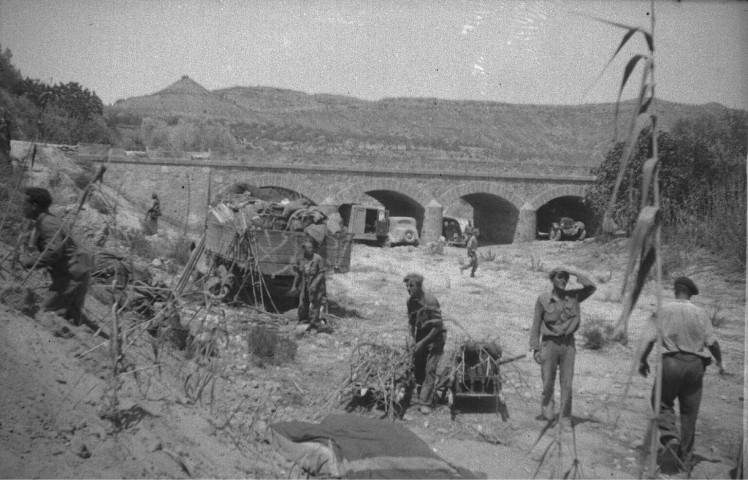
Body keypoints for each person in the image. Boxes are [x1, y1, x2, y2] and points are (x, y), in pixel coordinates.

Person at [638, 276, 725, 472]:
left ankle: (670, 437)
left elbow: (650, 339)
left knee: (660, 400)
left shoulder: (663, 310)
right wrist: (720, 362)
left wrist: (643, 361)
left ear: (675, 290)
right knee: (689, 414)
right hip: (695, 366)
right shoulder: (700, 313)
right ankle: (685, 461)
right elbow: (712, 343)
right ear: (691, 294)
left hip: (671, 363)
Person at [530, 266, 597, 423]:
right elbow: (536, 324)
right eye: (560, 277)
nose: (564, 280)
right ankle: (548, 415)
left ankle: (565, 418)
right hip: (549, 344)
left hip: (568, 345)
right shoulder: (543, 299)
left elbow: (592, 287)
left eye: (566, 278)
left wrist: (574, 272)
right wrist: (535, 348)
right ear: (552, 279)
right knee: (547, 382)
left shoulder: (574, 296)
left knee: (567, 383)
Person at [20, 187, 94, 329]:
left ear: (34, 206)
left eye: (25, 204)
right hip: (76, 269)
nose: (22, 207)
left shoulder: (47, 223)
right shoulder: (44, 221)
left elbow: (54, 251)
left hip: (72, 273)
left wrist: (30, 262)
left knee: (48, 313)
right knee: (72, 314)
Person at [404, 273, 446, 414]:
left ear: (419, 286)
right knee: (418, 365)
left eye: (412, 286)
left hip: (436, 337)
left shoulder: (431, 301)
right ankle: (422, 390)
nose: (408, 289)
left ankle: (425, 402)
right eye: (407, 286)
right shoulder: (410, 302)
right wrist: (411, 337)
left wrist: (422, 343)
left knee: (430, 368)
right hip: (421, 335)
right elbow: (411, 322)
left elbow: (438, 326)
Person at [290, 240, 326, 329]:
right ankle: (303, 320)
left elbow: (321, 273)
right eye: (309, 248)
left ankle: (314, 324)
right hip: (304, 285)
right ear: (304, 249)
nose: (311, 249)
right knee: (302, 304)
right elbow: (298, 274)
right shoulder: (300, 259)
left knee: (315, 304)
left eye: (312, 247)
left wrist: (314, 284)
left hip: (315, 285)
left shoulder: (318, 258)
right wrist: (294, 286)